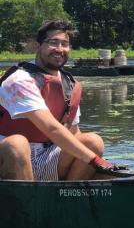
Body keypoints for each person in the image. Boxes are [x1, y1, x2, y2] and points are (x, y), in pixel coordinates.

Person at [0, 19, 126, 181]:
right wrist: (95, 161)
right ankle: (29, 204)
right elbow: (50, 128)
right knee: (17, 144)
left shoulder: (69, 84)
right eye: (53, 42)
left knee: (92, 142)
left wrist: (95, 160)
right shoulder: (20, 80)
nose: (59, 49)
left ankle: (67, 200)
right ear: (38, 47)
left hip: (47, 156)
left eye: (65, 44)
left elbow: (74, 133)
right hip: (10, 156)